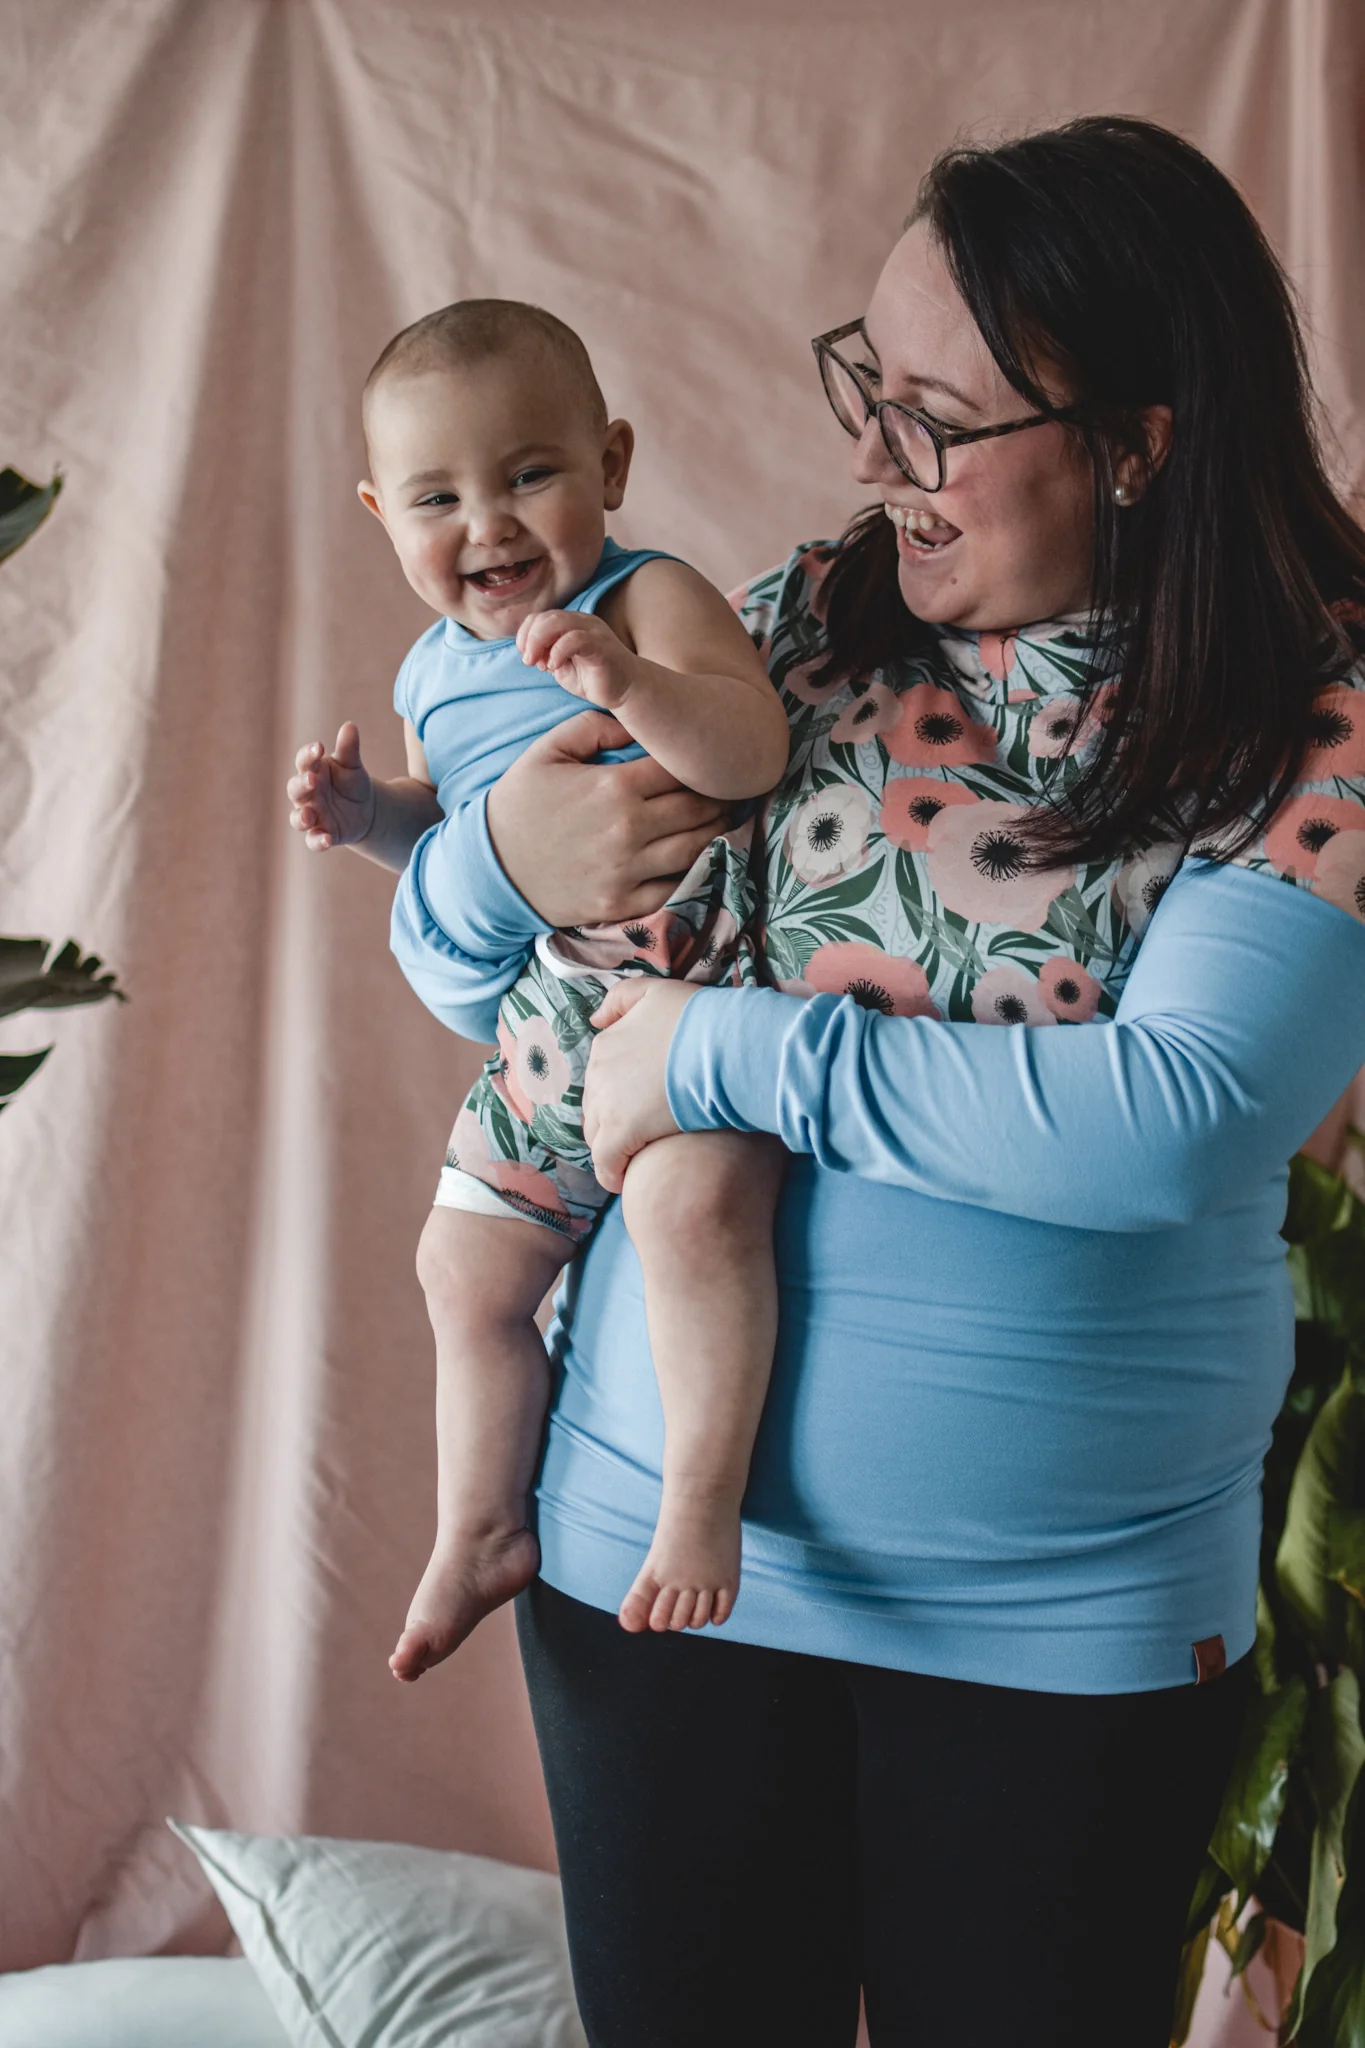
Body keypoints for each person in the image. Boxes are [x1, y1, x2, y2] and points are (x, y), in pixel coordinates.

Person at [389, 118, 1365, 2046]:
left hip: (1059, 1630)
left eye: (937, 421)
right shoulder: (809, 619)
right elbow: (497, 987)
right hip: (649, 1573)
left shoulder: (1314, 715)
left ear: (1137, 442)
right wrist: (485, 863)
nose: (870, 460)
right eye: (870, 387)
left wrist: (729, 1051)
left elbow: (1181, 1118)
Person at [286, 300, 791, 1677]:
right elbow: (454, 835)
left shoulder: (646, 595)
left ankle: (699, 1505)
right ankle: (482, 1525)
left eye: (528, 474)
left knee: (696, 1215)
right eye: (438, 498)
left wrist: (634, 684)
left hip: (688, 1007)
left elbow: (749, 747)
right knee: (460, 1270)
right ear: (382, 515)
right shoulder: (431, 672)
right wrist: (369, 819)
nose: (489, 525)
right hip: (544, 1032)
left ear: (610, 465)